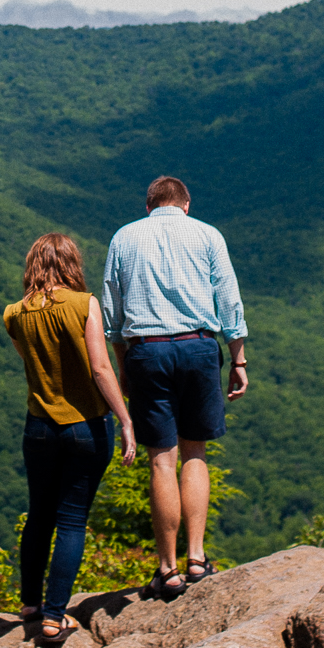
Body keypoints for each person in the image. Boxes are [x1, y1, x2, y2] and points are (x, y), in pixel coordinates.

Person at [102, 175, 247, 600]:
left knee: (161, 462)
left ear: (149, 207)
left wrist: (124, 367)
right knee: (195, 454)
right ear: (186, 204)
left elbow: (112, 309)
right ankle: (198, 560)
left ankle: (167, 571)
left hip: (146, 350)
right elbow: (230, 299)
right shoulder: (207, 234)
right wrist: (237, 357)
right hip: (199, 347)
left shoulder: (124, 238)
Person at [4, 232, 137, 646]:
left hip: (39, 427)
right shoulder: (84, 305)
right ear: (71, 264)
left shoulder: (13, 314)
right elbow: (100, 368)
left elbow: (34, 363)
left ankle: (29, 605)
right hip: (86, 426)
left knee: (39, 514)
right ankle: (54, 616)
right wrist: (126, 419)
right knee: (72, 520)